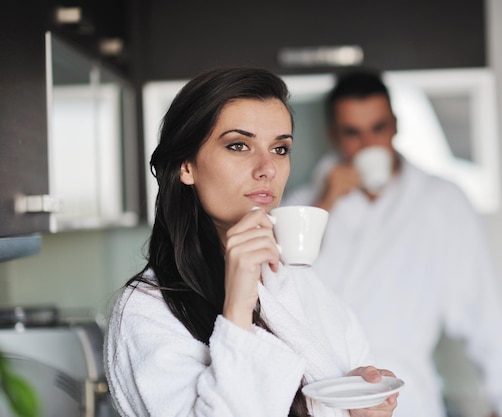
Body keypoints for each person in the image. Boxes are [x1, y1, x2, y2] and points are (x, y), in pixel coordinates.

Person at [104, 67, 399, 417]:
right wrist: (237, 311)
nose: (267, 168)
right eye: (239, 145)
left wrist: (358, 406)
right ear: (186, 166)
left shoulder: (295, 281)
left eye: (279, 148)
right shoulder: (147, 311)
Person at [283, 69, 502, 417]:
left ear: (396, 125)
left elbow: (484, 313)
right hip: (319, 400)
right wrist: (327, 200)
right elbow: (278, 290)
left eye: (378, 128)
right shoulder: (303, 205)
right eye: (353, 133)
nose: (368, 145)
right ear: (333, 136)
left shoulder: (442, 201)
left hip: (407, 396)